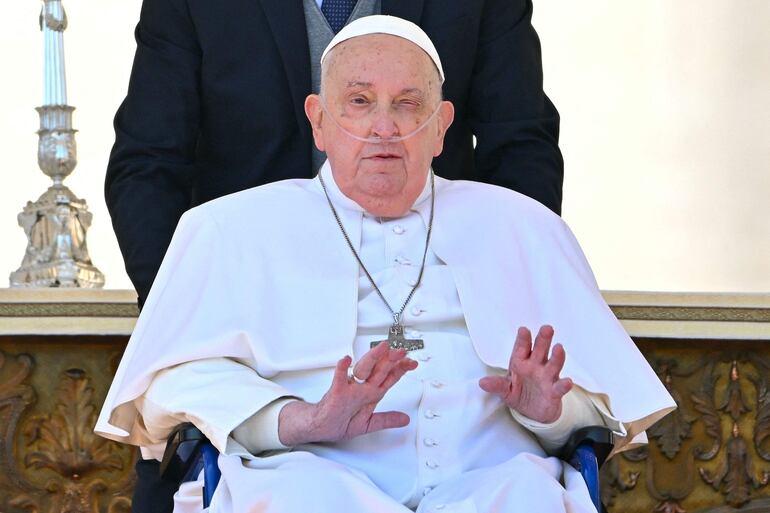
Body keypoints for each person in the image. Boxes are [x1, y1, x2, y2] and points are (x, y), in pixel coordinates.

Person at [97, 16, 675, 513]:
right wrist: (300, 419)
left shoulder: (523, 227)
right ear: (318, 121)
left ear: (442, 126)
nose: (384, 127)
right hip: (310, 477)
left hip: (491, 482)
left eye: (408, 104)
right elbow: (171, 389)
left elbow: (600, 408)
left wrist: (549, 413)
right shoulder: (229, 228)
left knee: (530, 495)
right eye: (359, 102)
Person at [106, 0, 564, 309]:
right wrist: (183, 312)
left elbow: (521, 145)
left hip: (438, 304)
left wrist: (502, 303)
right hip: (250, 305)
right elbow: (148, 162)